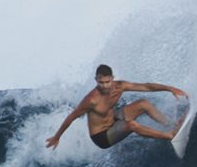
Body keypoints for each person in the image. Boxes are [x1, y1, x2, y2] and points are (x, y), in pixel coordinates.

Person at [45, 64, 189, 150]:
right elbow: (71, 117)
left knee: (143, 103)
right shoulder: (91, 100)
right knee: (130, 125)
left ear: (112, 78)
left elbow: (146, 86)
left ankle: (170, 125)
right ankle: (170, 136)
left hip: (113, 120)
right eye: (101, 82)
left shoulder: (119, 87)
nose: (105, 86)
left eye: (107, 81)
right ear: (96, 80)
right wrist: (57, 137)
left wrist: (170, 88)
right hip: (102, 136)